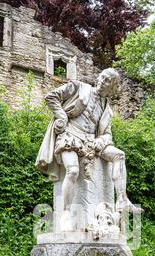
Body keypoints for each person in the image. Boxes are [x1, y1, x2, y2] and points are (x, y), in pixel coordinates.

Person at [36, 68, 137, 232]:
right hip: (71, 135)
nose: (102, 82)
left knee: (119, 155)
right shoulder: (78, 87)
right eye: (102, 78)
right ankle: (67, 214)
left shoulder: (107, 109)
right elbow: (51, 96)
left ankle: (122, 199)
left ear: (112, 89)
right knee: (73, 171)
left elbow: (107, 134)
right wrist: (62, 117)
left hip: (91, 141)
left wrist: (101, 140)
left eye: (107, 82)